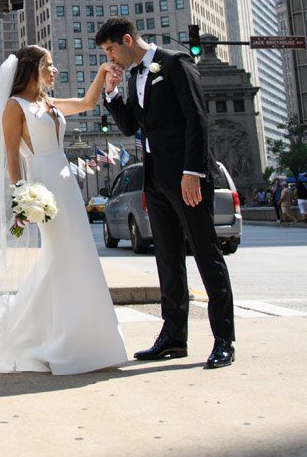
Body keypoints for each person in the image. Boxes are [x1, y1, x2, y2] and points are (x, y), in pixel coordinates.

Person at [0, 48, 126, 375]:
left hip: (67, 185)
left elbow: (86, 104)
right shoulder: (15, 107)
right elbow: (12, 156)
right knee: (62, 258)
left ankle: (88, 338)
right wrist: (22, 194)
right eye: (48, 65)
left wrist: (102, 74)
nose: (54, 70)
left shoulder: (48, 103)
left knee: (79, 256)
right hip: (43, 189)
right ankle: (60, 340)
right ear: (31, 69)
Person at [97, 18, 235, 370]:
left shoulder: (175, 63)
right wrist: (111, 92)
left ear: (127, 40)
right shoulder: (132, 77)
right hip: (155, 180)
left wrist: (193, 172)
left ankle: (223, 340)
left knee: (206, 255)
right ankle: (174, 337)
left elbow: (196, 118)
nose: (110, 57)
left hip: (187, 178)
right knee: (168, 260)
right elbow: (131, 125)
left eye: (111, 49)